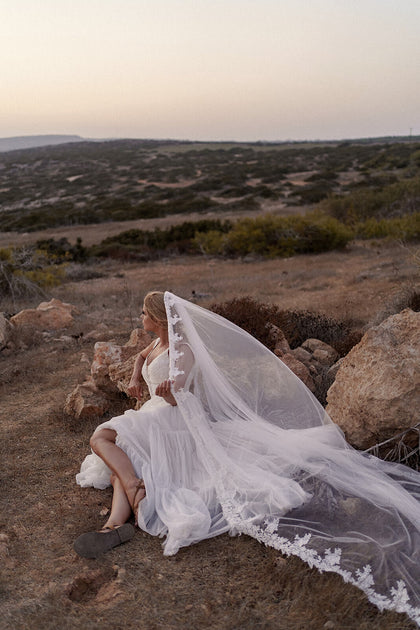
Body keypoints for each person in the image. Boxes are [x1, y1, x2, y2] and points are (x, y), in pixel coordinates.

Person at [75, 291, 420, 626]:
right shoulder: (154, 344)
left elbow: (182, 395)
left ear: (158, 318)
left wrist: (169, 391)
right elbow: (141, 358)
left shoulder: (184, 349)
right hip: (153, 414)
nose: (140, 319)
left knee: (104, 438)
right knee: (127, 452)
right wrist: (137, 375)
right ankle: (116, 525)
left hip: (174, 418)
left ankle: (129, 496)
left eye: (144, 314)